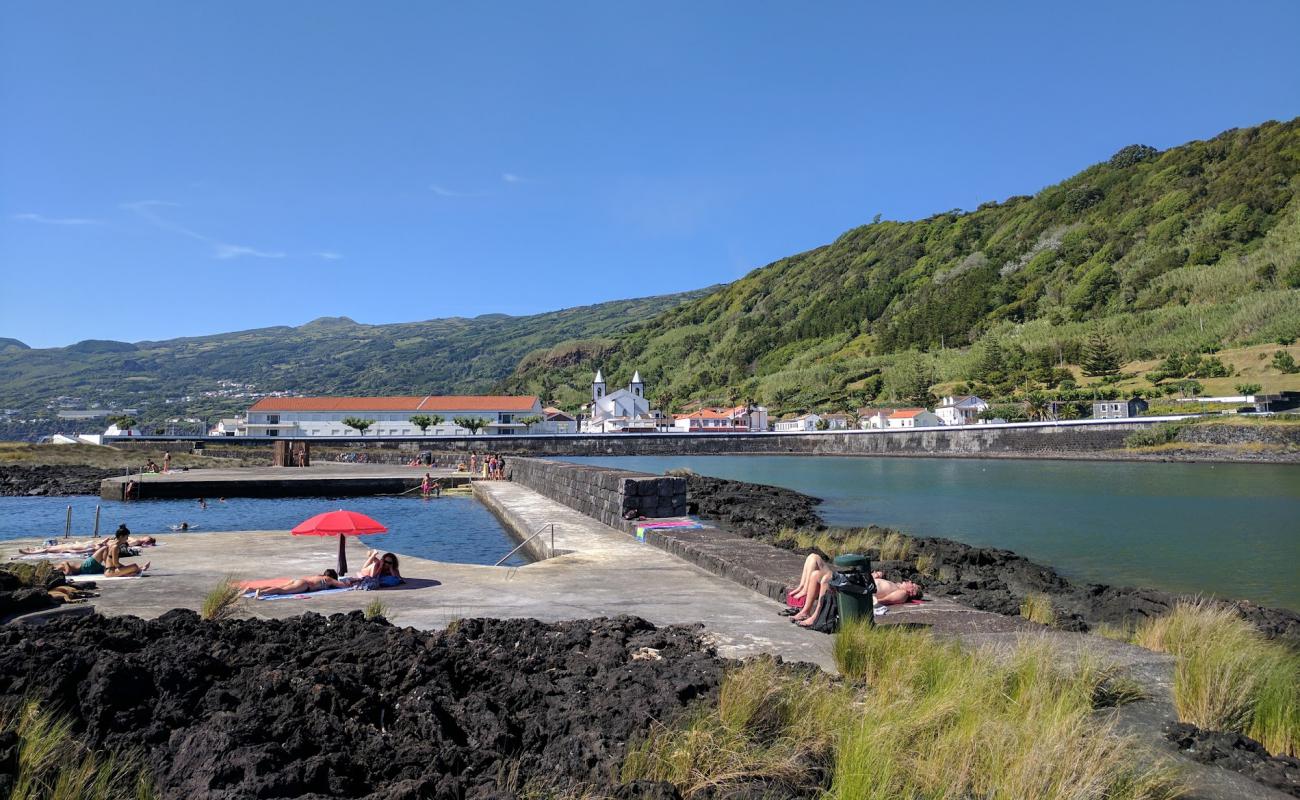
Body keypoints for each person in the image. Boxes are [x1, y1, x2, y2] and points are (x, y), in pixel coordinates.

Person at [53, 527, 149, 577]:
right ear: (121, 537)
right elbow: (116, 564)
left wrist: (125, 568)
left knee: (133, 567)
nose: (128, 539)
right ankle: (137, 569)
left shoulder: (114, 546)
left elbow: (113, 562)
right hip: (100, 569)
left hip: (99, 568)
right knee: (134, 566)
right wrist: (127, 568)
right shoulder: (115, 547)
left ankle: (134, 570)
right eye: (126, 537)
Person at [17, 535, 157, 556]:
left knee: (53, 548)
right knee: (62, 546)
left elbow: (94, 549)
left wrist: (104, 542)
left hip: (89, 546)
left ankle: (31, 553)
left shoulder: (136, 542)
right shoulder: (134, 540)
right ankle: (34, 550)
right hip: (90, 544)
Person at [254, 570, 349, 598]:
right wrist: (350, 582)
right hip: (304, 585)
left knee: (278, 587)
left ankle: (252, 589)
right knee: (281, 591)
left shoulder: (319, 576)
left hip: (299, 580)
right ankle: (261, 593)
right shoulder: (328, 579)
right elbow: (342, 585)